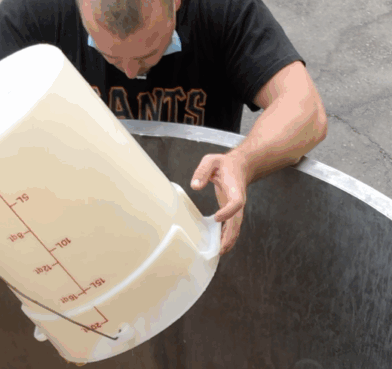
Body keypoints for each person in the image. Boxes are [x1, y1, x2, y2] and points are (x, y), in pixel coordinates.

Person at [0, 0, 328, 253]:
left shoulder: (223, 9)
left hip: (192, 218)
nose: (130, 73)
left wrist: (242, 163)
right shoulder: (35, 11)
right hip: (73, 218)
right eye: (109, 55)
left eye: (147, 54)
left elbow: (305, 111)